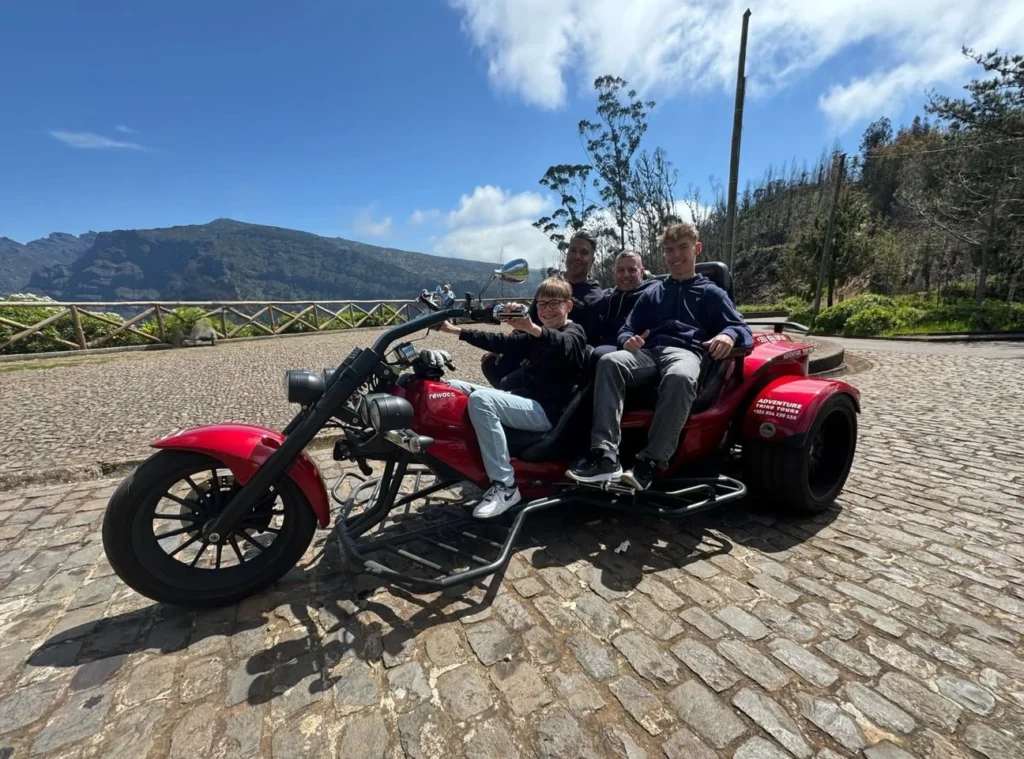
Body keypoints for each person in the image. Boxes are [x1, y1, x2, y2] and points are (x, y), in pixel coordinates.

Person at [567, 223, 752, 491]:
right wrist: (626, 340)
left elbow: (741, 328)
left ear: (696, 249)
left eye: (682, 248)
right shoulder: (654, 291)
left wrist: (729, 335)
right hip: (649, 353)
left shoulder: (711, 292)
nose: (675, 256)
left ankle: (651, 461)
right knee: (609, 361)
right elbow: (627, 328)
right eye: (669, 250)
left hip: (686, 352)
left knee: (680, 376)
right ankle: (605, 455)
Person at [439, 277, 587, 518]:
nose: (546, 310)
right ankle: (454, 457)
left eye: (554, 303)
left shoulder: (574, 332)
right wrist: (455, 331)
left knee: (482, 401)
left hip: (548, 412)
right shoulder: (536, 336)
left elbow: (564, 347)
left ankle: (505, 486)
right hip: (523, 400)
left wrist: (532, 328)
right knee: (452, 386)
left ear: (568, 306)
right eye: (541, 304)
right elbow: (501, 342)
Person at [481, 232, 604, 390]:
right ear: (566, 255)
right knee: (491, 363)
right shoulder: (550, 283)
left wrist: (537, 356)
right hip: (530, 345)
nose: (577, 256)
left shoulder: (595, 297)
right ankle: (512, 406)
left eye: (584, 252)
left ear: (592, 260)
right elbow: (529, 318)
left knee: (511, 382)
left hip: (557, 360)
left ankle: (532, 408)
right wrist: (504, 346)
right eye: (573, 251)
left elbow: (584, 343)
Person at [591, 250, 658, 363]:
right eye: (621, 270)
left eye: (632, 270)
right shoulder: (606, 296)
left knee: (599, 354)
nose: (626, 275)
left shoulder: (652, 292)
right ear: (614, 273)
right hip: (607, 343)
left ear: (641, 272)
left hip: (638, 348)